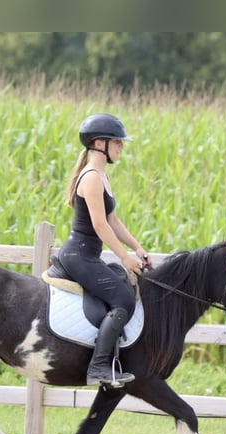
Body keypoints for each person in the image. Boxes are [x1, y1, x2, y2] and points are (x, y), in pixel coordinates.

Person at [57, 112, 153, 387]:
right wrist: (124, 258)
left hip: (87, 254)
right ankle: (98, 367)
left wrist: (137, 247)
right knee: (123, 298)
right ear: (100, 143)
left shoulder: (101, 176)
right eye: (117, 142)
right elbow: (99, 225)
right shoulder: (92, 178)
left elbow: (113, 220)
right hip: (79, 255)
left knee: (124, 288)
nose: (121, 146)